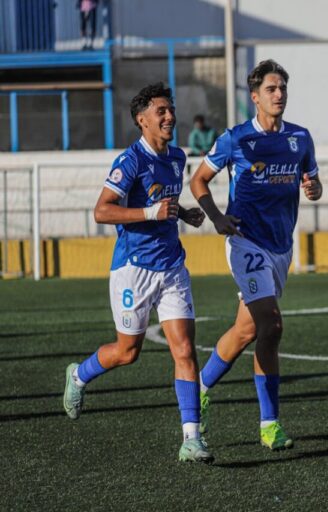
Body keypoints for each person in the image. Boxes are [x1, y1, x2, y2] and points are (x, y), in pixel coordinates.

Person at [62, 83, 211, 463]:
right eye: (161, 111)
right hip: (133, 271)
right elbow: (102, 211)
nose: (169, 117)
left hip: (172, 267)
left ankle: (191, 439)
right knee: (128, 352)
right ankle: (79, 375)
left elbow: (166, 202)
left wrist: (184, 213)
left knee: (184, 350)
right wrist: (150, 213)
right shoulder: (129, 161)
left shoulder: (177, 157)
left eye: (171, 109)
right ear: (142, 121)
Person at [189, 59, 322, 450]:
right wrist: (215, 216)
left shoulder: (300, 137)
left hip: (282, 247)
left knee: (246, 330)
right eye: (271, 89)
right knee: (272, 326)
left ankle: (197, 388)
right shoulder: (236, 139)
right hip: (246, 241)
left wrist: (314, 189)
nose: (279, 95)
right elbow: (198, 179)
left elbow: (312, 183)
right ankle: (269, 424)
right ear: (254, 97)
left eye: (282, 88)